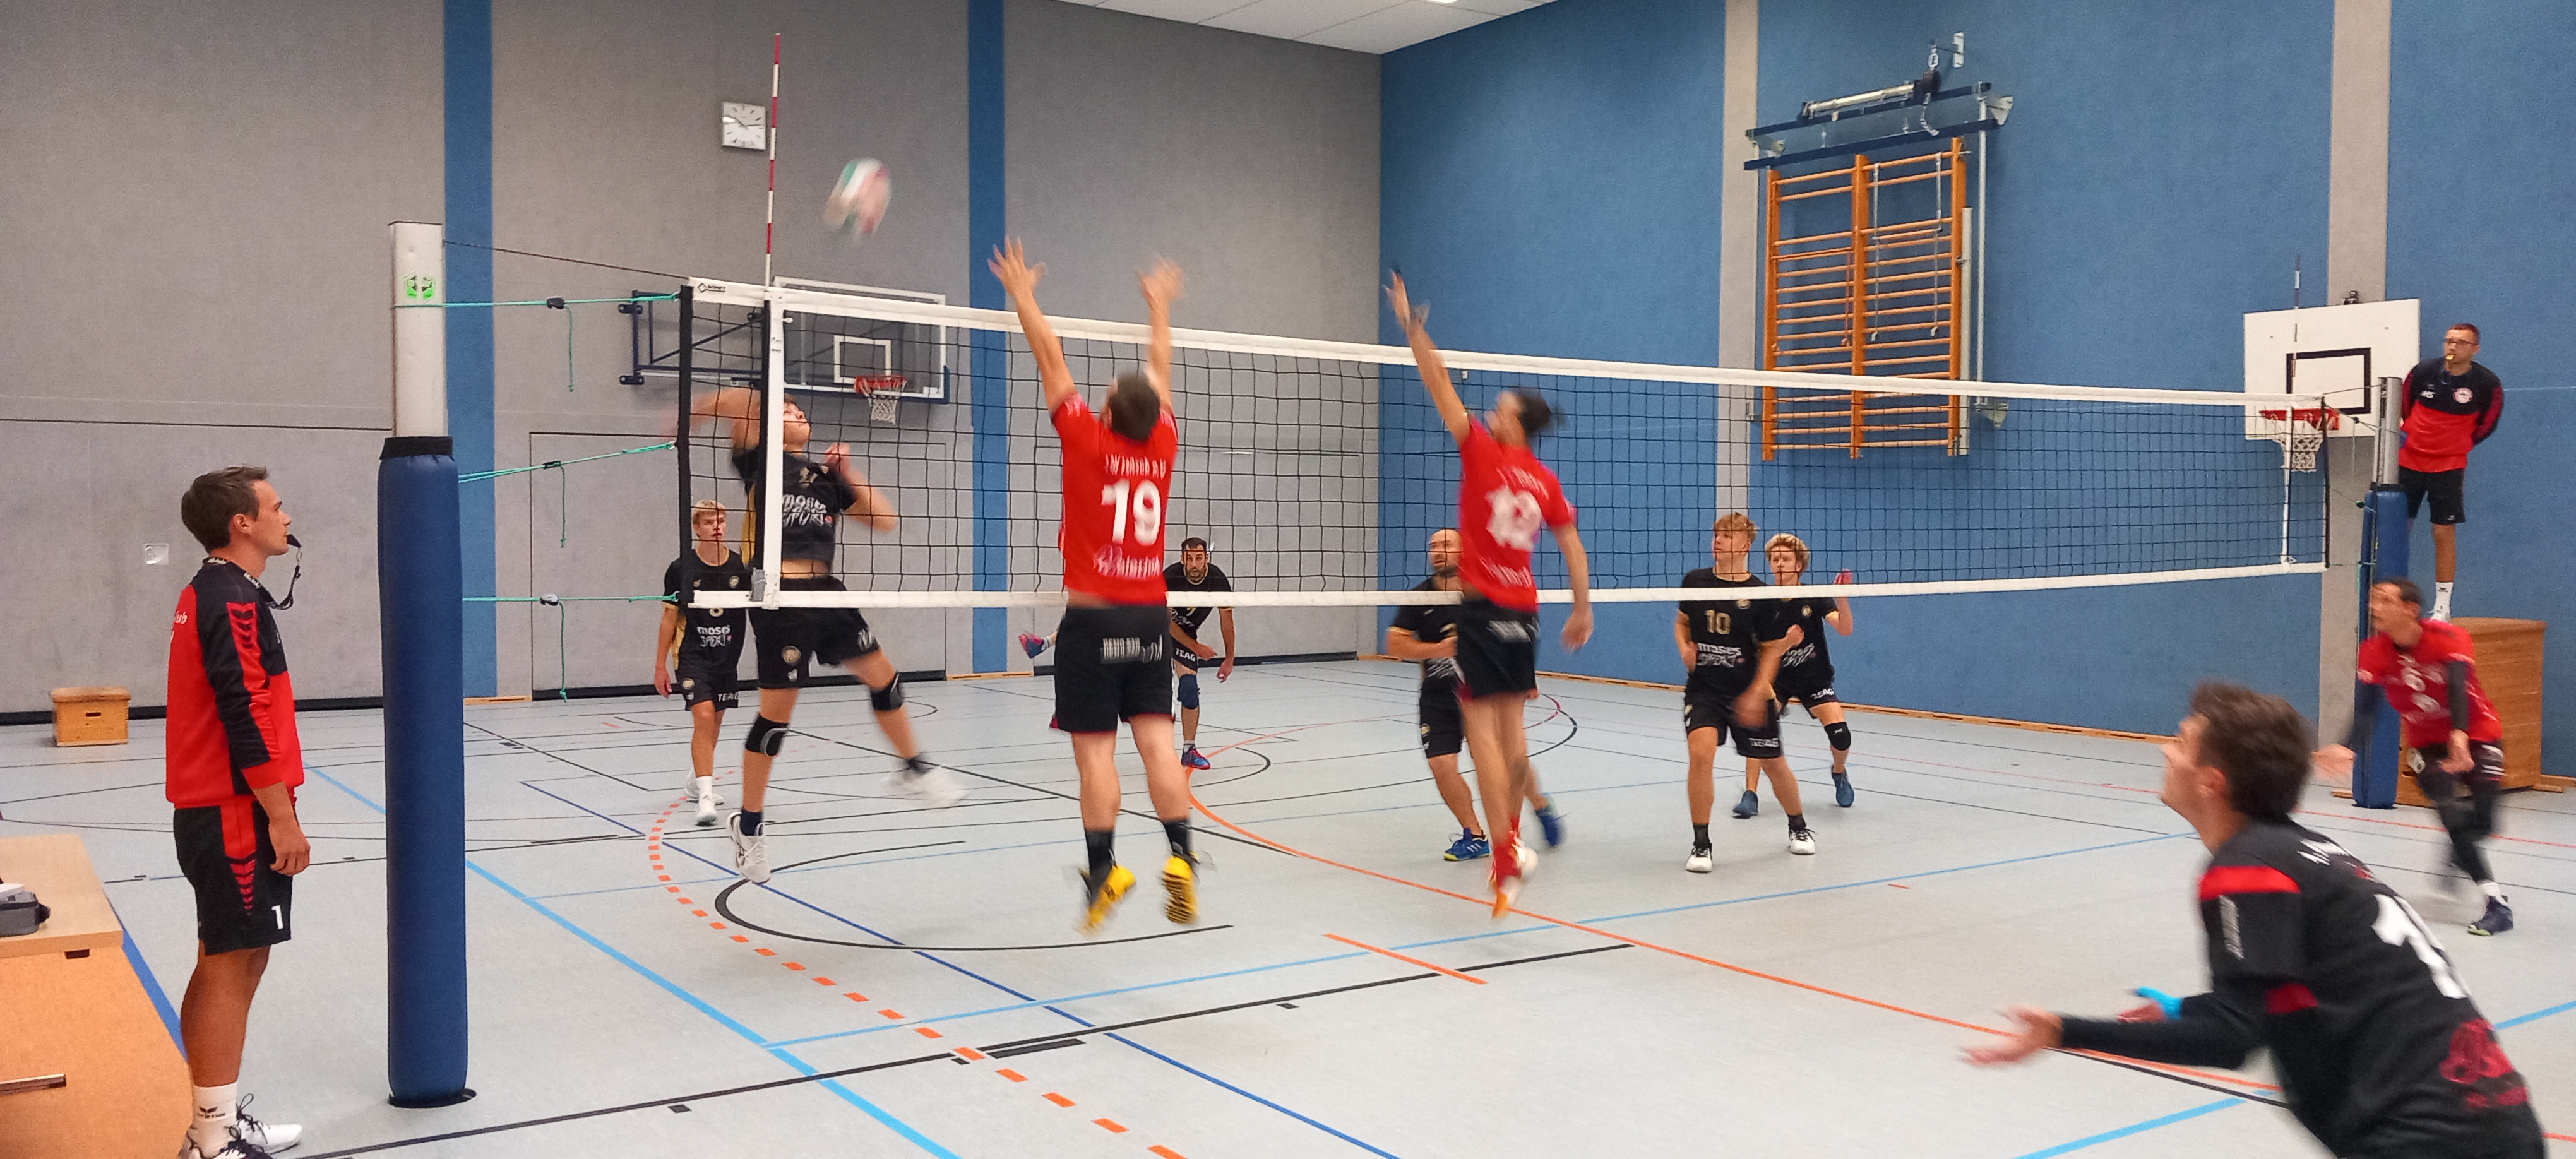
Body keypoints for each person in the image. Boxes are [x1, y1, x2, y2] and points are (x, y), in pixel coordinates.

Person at [1969, 682, 2543, 1158]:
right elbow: (2314, 986)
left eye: (2182, 743)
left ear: (2211, 781)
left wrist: (2064, 1031)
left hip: (2425, 1137)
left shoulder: (2245, 868)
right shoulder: (2311, 851)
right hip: (2497, 1123)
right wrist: (2184, 1009)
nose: (2166, 752)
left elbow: (2231, 1039)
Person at [991, 239, 1205, 930]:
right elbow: (1160, 371)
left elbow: (1049, 357)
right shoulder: (1163, 442)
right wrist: (1160, 307)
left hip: (1091, 622)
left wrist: (1023, 294)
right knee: (1158, 745)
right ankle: (1182, 858)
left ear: (1108, 414)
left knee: (1096, 755)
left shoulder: (1085, 438)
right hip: (1148, 621)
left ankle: (1104, 872)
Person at [688, 390, 960, 884]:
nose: (798, 415)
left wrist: (847, 472)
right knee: (776, 719)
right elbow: (748, 404)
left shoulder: (824, 477)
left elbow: (884, 520)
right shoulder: (760, 462)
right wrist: (701, 409)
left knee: (885, 679)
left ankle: (913, 768)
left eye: (801, 412)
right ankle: (749, 827)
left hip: (827, 592)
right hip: (780, 599)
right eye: (788, 412)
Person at [1386, 273, 1592, 915]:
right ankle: (1515, 840)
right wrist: (1582, 607)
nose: (1491, 414)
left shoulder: (1480, 451)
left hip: (1480, 610)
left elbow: (1438, 383)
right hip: (1524, 613)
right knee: (1511, 734)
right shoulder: (1545, 480)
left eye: (1501, 410)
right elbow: (1572, 546)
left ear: (1516, 427)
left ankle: (1505, 852)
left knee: (1482, 738)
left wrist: (1413, 329)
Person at [169, 467, 306, 1158]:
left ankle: (211, 1125)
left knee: (226, 962)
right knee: (231, 969)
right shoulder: (230, 600)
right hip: (235, 815)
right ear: (242, 524)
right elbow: (244, 714)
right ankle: (214, 1140)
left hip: (223, 810)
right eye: (276, 506)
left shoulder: (218, 590)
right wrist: (281, 817)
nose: (288, 516)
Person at [2318, 578, 2515, 935]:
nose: (2374, 607)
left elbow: (2457, 687)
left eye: (2384, 600)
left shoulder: (2449, 637)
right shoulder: (2373, 650)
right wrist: (2348, 746)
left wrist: (2459, 735)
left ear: (2411, 609)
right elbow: (2367, 708)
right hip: (2426, 745)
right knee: (2450, 812)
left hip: (2478, 732)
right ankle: (2496, 903)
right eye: (2373, 600)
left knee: (2484, 824)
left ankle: (2459, 848)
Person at [1385, 528, 1562, 862]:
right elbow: (1395, 644)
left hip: (1484, 691)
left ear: (1464, 551)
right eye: (1433, 546)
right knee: (1441, 764)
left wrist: (1525, 677)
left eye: (1446, 545)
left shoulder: (1484, 592)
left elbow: (1515, 634)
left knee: (1510, 759)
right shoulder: (1421, 597)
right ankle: (1474, 835)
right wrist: (1439, 649)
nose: (1438, 551)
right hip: (1439, 695)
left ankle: (1539, 804)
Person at [1678, 514, 1809, 872]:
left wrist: (1755, 694)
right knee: (1700, 755)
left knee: (1774, 765)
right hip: (1704, 690)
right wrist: (1684, 646)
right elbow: (1682, 622)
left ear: (1745, 545)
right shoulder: (1695, 581)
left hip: (1748, 691)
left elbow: (1769, 652)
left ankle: (1798, 826)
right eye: (1716, 534)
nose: (1717, 540)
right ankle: (1701, 844)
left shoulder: (1761, 595)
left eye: (1726, 535)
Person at [2397, 323, 2502, 621]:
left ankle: (2442, 605)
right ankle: (2393, 597)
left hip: (2449, 466)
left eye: (2461, 342)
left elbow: (2487, 424)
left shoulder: (2487, 384)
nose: (2453, 346)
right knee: (2398, 529)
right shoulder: (2423, 372)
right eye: (2449, 341)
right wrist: (2419, 440)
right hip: (2409, 462)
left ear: (2475, 349)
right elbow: (2406, 407)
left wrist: (2455, 444)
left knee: (2443, 532)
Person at [655, 500, 751, 826]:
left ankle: (696, 781)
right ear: (696, 528)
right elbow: (669, 619)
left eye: (721, 521)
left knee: (714, 723)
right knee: (704, 716)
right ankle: (706, 798)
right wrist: (660, 666)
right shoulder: (681, 568)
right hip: (692, 656)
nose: (717, 527)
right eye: (710, 522)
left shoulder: (740, 566)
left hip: (726, 657)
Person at [1758, 533, 1857, 810]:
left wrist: (1842, 599)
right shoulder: (1763, 601)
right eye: (1774, 559)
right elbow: (1760, 648)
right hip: (1778, 680)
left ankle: (1838, 772)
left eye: (1785, 559)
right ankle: (1750, 794)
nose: (1779, 564)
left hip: (1814, 679)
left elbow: (1845, 629)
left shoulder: (1814, 597)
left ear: (1799, 565)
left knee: (1841, 735)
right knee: (1759, 731)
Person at [1163, 537, 1236, 770]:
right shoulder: (1170, 577)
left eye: (1199, 558)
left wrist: (1229, 658)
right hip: (1156, 631)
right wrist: (1197, 648)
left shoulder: (1217, 580)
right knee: (1154, 693)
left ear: (1207, 558)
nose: (1194, 564)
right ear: (1182, 559)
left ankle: (1189, 750)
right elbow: (1165, 623)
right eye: (1189, 559)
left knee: (1189, 690)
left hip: (1186, 635)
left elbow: (1227, 621)